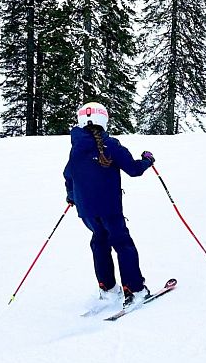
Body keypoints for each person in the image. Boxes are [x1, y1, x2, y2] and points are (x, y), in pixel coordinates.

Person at [63, 102, 155, 309]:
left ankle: (107, 288)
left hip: (86, 210)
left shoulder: (76, 147)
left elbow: (69, 175)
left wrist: (71, 196)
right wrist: (147, 160)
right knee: (122, 243)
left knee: (99, 241)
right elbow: (133, 169)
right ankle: (135, 289)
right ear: (103, 119)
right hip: (110, 209)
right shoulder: (111, 145)